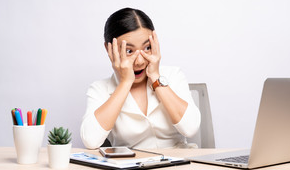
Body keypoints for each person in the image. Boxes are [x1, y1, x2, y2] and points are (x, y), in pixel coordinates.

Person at [80, 8, 201, 149]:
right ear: (109, 49)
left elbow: (190, 128)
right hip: (131, 164)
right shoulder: (99, 89)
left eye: (147, 48)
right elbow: (90, 141)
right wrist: (125, 83)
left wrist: (155, 77)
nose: (139, 62)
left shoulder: (173, 75)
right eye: (129, 51)